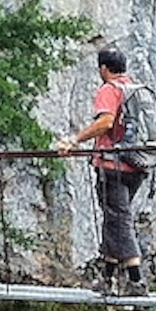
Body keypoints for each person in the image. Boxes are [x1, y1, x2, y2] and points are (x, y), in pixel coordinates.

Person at [58, 45, 148, 296]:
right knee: (113, 218)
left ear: (103, 69)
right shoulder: (134, 89)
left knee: (119, 218)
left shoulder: (110, 90)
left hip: (112, 165)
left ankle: (136, 280)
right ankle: (107, 278)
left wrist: (74, 140)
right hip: (137, 164)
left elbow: (106, 122)